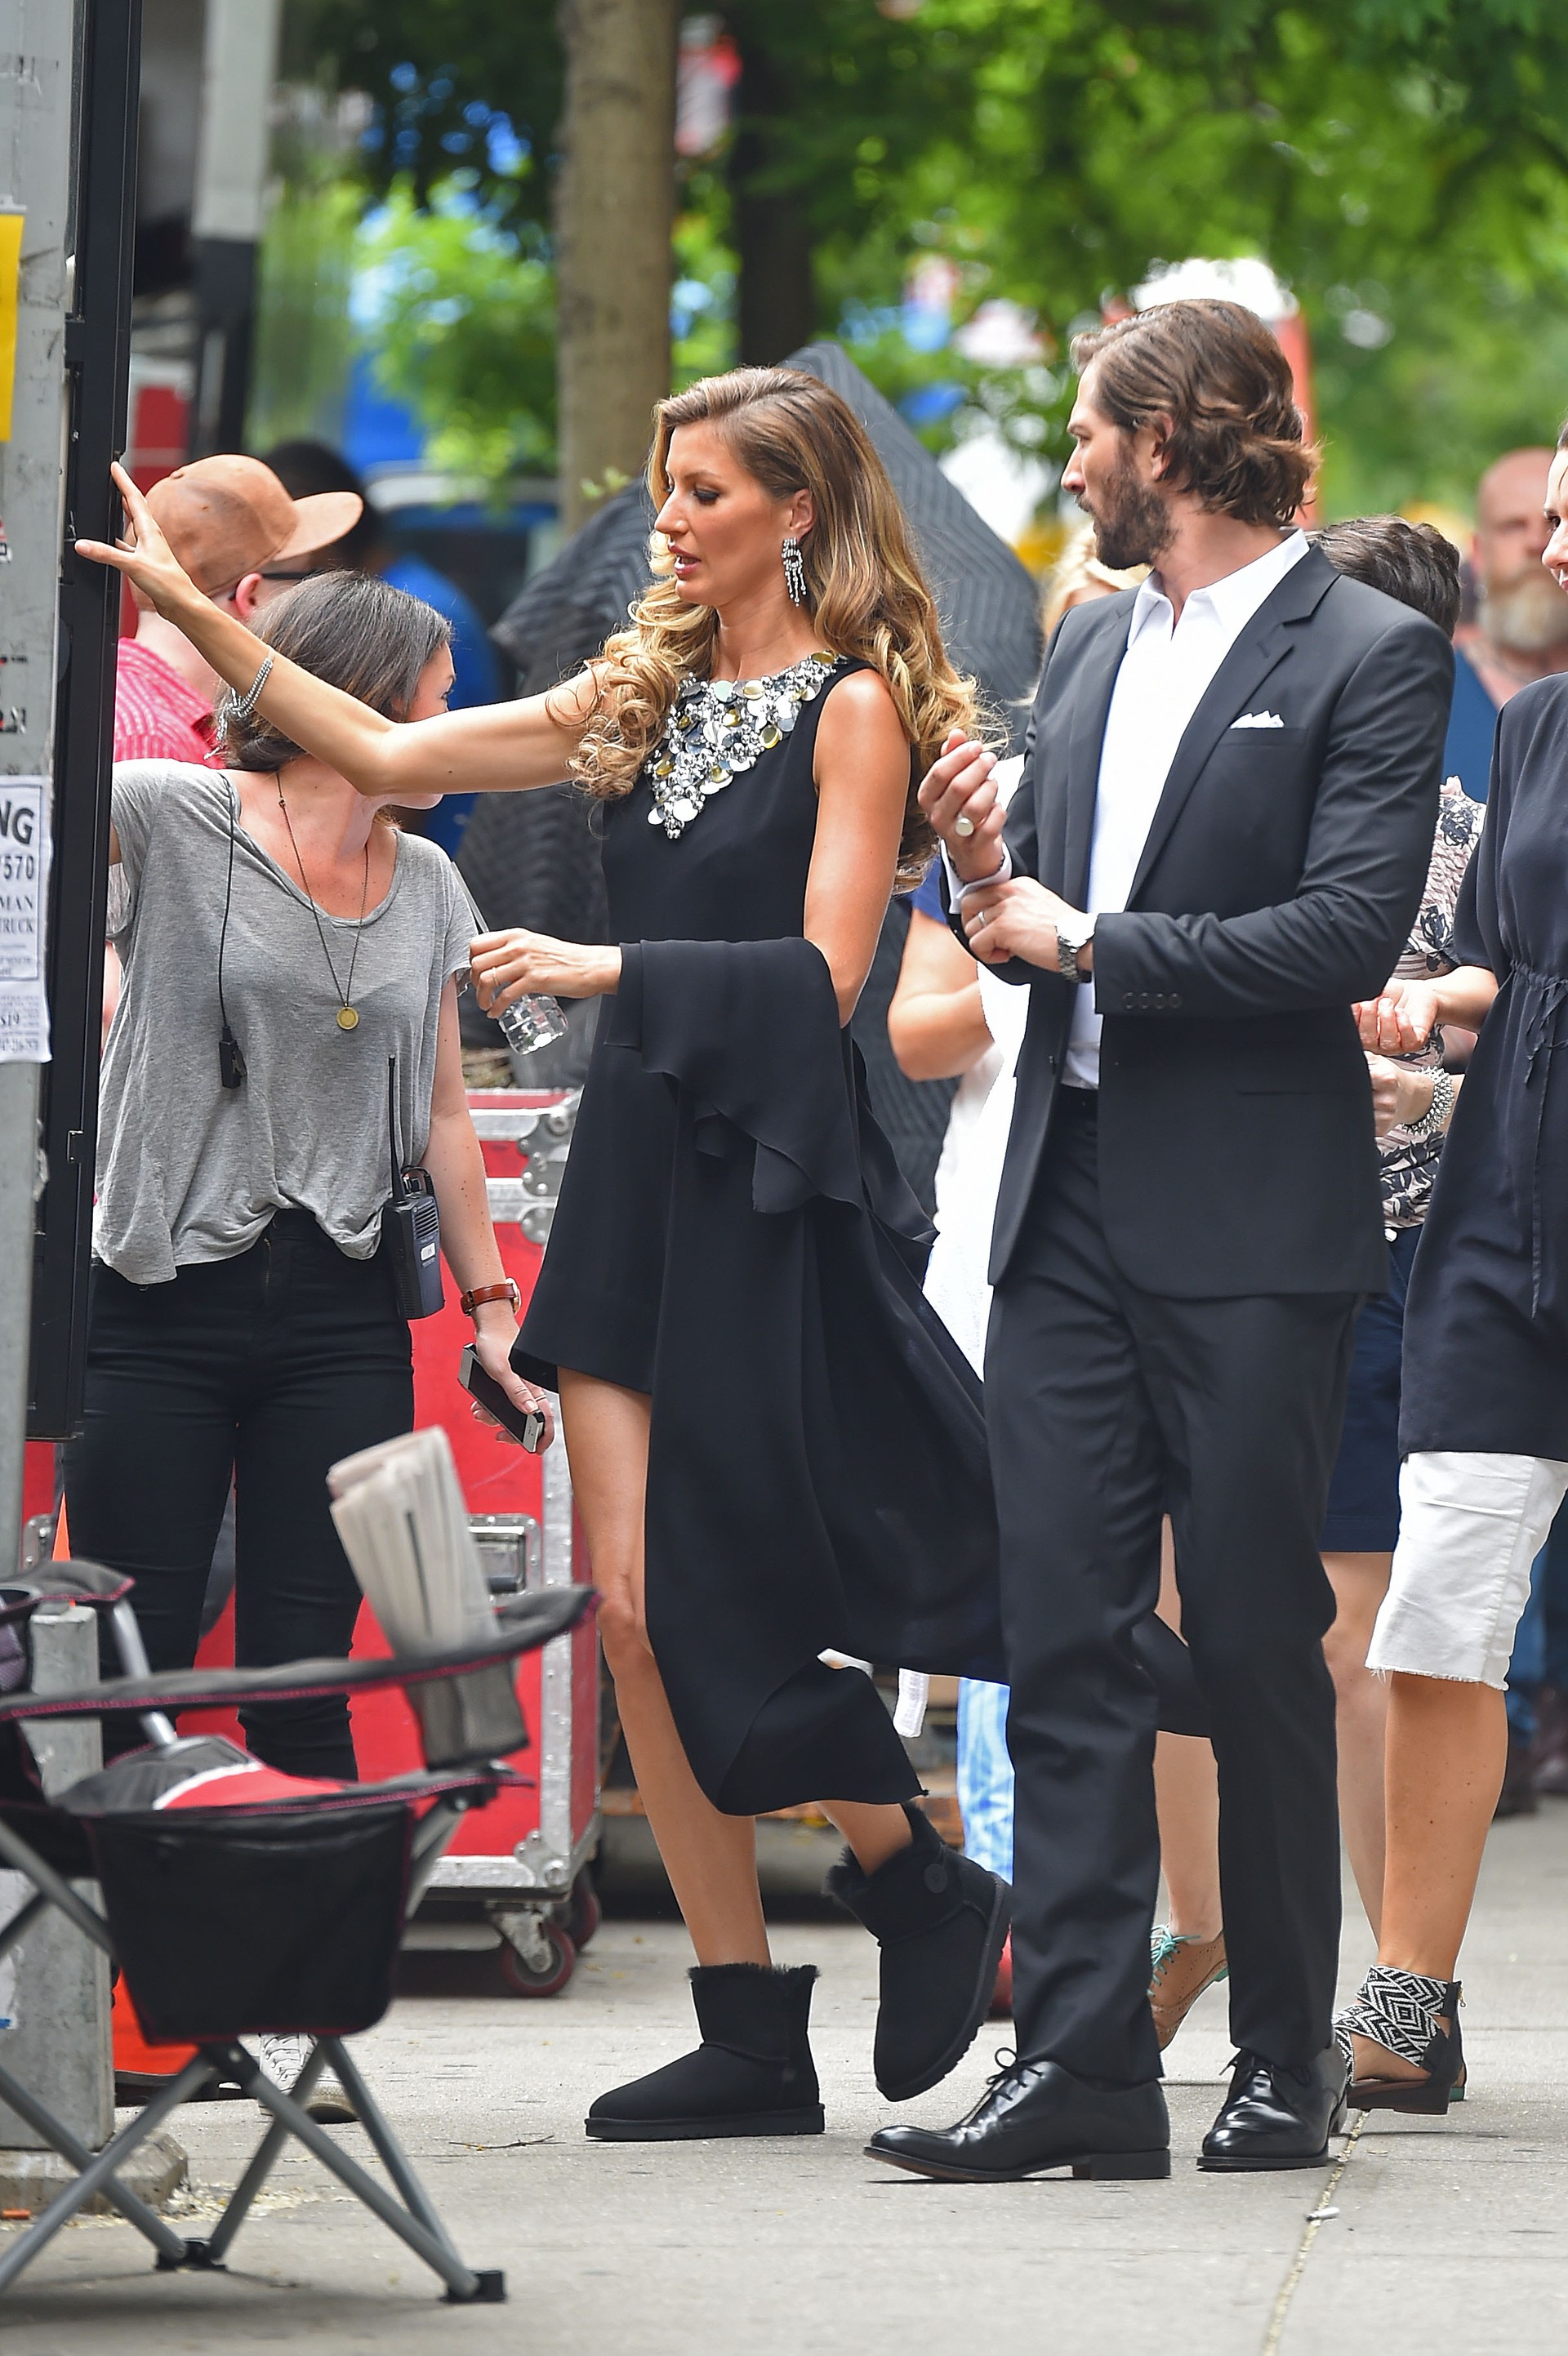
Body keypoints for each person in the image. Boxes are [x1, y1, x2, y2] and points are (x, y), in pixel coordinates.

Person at [79, 367, 1012, 2147]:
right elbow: (390, 755)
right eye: (667, 485)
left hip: (762, 1182)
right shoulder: (640, 691)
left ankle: (911, 1869)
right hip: (635, 1169)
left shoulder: (854, 707)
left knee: (720, 1600)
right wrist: (197, 613)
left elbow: (829, 979)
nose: (669, 517)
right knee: (633, 1617)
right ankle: (750, 2025)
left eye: (704, 489)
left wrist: (607, 969)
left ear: (798, 509)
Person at [874, 296, 1453, 2186]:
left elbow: (1345, 931)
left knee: (1264, 1638)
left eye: (1087, 435)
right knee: (1059, 1629)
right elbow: (1024, 908)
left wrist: (1089, 940)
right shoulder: (1093, 637)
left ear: (1178, 439)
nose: (1069, 464)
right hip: (1062, 1200)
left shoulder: (1369, 647)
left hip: (1255, 1216)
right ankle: (1081, 2065)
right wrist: (980, 865)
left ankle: (1281, 2057)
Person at [1147, 516, 1480, 2052]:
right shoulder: (1240, 810)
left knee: (1349, 1634)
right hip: (1223, 1241)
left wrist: (1436, 1096)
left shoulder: (1471, 844)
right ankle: (1197, 1928)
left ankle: (1385, 1994)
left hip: (1394, 1253)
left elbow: (1510, 1051)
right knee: (1178, 1600)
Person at [1338, 421, 1568, 2113]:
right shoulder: (1539, 725)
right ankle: (1405, 2008)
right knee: (1439, 1606)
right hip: (1503, 1215)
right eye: (1543, 518)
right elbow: (1499, 957)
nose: (1546, 547)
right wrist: (1429, 1006)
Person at [885, 526, 1141, 2012]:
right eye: (1087, 628)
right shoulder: (1000, 811)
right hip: (1004, 1228)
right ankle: (1016, 1905)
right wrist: (1020, 956)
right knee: (1018, 1563)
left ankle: (1152, 1913)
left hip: (1174, 1237)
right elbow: (917, 1032)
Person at [261, 441, 502, 857]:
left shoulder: (410, 613)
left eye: (276, 536)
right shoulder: (405, 595)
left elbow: (408, 778)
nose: (271, 559)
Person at [113, 455, 363, 765]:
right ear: (251, 597)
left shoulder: (171, 718)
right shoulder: (151, 741)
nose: (310, 598)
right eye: (306, 579)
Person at [1444, 447, 1568, 804]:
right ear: (1479, 552)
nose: (1537, 543)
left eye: (1554, 523)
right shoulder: (1421, 700)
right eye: (1513, 526)